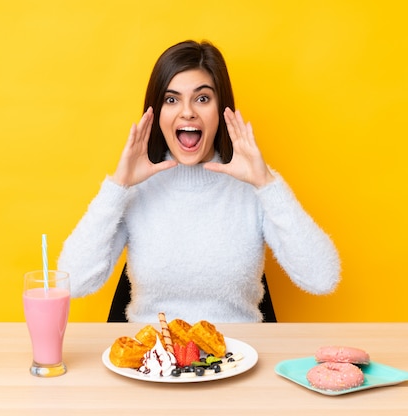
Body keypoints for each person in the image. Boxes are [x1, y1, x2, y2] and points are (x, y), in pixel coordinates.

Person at [58, 40, 340, 323]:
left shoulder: (254, 185)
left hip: (238, 359)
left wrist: (267, 184)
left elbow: (323, 278)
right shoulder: (136, 190)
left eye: (202, 98)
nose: (187, 112)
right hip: (153, 362)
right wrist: (117, 187)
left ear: (221, 109)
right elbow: (72, 283)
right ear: (155, 114)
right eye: (171, 99)